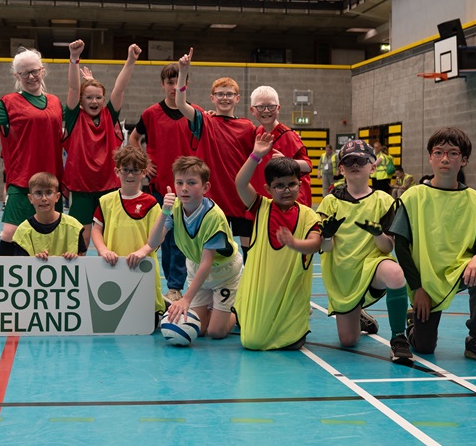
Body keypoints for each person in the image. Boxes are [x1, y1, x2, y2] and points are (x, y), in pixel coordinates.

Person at [389, 127, 476, 364]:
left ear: (464, 160)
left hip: (459, 270)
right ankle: (414, 324)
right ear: (430, 156)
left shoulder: (474, 200)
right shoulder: (413, 197)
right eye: (439, 152)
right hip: (425, 281)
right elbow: (401, 247)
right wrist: (417, 288)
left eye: (453, 153)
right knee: (425, 347)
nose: (445, 159)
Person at [0, 47, 66, 256]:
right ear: (17, 75)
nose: (31, 77)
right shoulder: (9, 103)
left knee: (51, 237)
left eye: (34, 71)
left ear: (42, 71)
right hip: (22, 181)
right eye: (25, 73)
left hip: (52, 181)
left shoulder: (55, 102)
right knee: (11, 232)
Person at [317, 140, 412, 364]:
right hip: (343, 273)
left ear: (372, 166)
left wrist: (378, 234)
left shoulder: (384, 201)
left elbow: (388, 247)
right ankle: (358, 315)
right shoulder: (330, 202)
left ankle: (398, 338)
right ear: (341, 168)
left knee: (395, 273)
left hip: (372, 266)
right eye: (348, 161)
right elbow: (325, 248)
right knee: (348, 341)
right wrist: (328, 236)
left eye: (361, 160)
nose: (354, 165)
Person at [234, 133, 322, 350]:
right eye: (279, 185)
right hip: (260, 294)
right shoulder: (261, 207)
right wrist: (255, 155)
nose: (287, 190)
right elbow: (240, 182)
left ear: (300, 185)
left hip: (290, 296)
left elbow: (316, 244)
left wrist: (294, 243)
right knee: (252, 342)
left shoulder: (308, 215)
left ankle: (297, 322)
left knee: (291, 344)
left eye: (292, 184)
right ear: (268, 189)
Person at [128, 62, 202, 303]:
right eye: (169, 82)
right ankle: (165, 285)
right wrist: (145, 163)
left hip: (188, 188)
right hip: (161, 186)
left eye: (178, 82)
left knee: (181, 237)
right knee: (163, 237)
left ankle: (176, 287)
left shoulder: (195, 113)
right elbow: (134, 138)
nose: (173, 87)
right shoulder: (151, 114)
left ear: (185, 84)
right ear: (163, 84)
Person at [173, 48, 256, 261]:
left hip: (241, 199)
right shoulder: (205, 121)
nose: (225, 98)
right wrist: (183, 72)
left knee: (249, 250)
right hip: (213, 199)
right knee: (211, 251)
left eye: (229, 94)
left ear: (237, 98)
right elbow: (181, 104)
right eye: (220, 94)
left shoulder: (248, 127)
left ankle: (246, 292)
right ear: (212, 97)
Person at [147, 156, 242, 339]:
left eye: (191, 182)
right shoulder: (174, 207)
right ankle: (214, 308)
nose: (184, 188)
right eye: (180, 182)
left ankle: (239, 312)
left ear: (205, 187)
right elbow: (152, 243)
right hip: (196, 267)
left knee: (216, 332)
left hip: (223, 272)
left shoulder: (214, 217)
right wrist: (164, 212)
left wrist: (186, 298)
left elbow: (208, 262)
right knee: (199, 329)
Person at [63, 39, 141, 248]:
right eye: (88, 98)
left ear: (104, 100)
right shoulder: (73, 117)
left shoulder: (110, 115)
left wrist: (130, 61)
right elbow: (73, 87)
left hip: (109, 187)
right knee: (82, 240)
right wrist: (74, 59)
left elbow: (119, 88)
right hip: (81, 188)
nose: (94, 101)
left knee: (107, 242)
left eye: (98, 97)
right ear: (81, 101)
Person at [91, 146, 166, 326]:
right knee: (113, 318)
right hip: (113, 267)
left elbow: (158, 238)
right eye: (125, 170)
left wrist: (143, 251)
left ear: (144, 173)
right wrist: (103, 250)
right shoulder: (106, 201)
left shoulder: (151, 204)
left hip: (142, 268)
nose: (130, 175)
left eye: (135, 170)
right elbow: (96, 230)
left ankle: (164, 305)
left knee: (146, 322)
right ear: (117, 171)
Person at [247, 86, 313, 208]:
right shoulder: (255, 133)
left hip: (288, 205)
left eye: (271, 106)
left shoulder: (288, 135)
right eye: (261, 107)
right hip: (264, 204)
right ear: (252, 110)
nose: (266, 110)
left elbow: (308, 166)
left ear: (278, 108)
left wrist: (288, 162)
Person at [11, 172, 86, 259]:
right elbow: (22, 267)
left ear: (57, 197)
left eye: (49, 193)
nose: (44, 198)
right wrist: (36, 262)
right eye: (38, 193)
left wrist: (73, 258)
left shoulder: (74, 227)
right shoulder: (22, 232)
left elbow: (81, 263)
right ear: (30, 198)